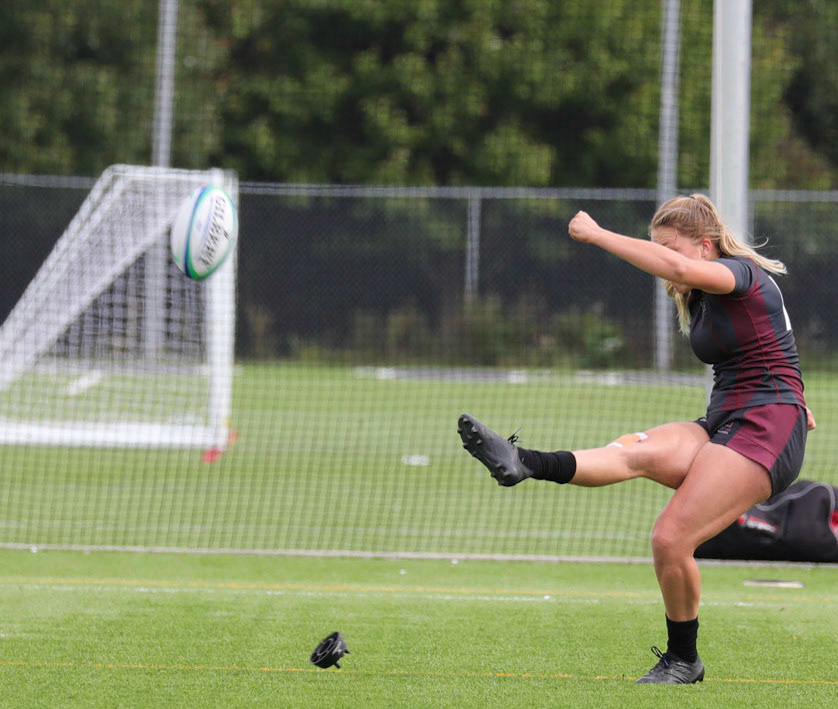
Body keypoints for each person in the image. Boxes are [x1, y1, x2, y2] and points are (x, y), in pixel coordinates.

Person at [458, 194, 815, 684]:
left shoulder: (740, 273)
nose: (665, 261)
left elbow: (688, 277)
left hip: (765, 426)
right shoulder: (703, 295)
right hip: (728, 421)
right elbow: (772, 344)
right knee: (634, 450)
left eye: (671, 248)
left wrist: (599, 234)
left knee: (671, 538)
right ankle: (522, 461)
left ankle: (684, 661)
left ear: (705, 246)